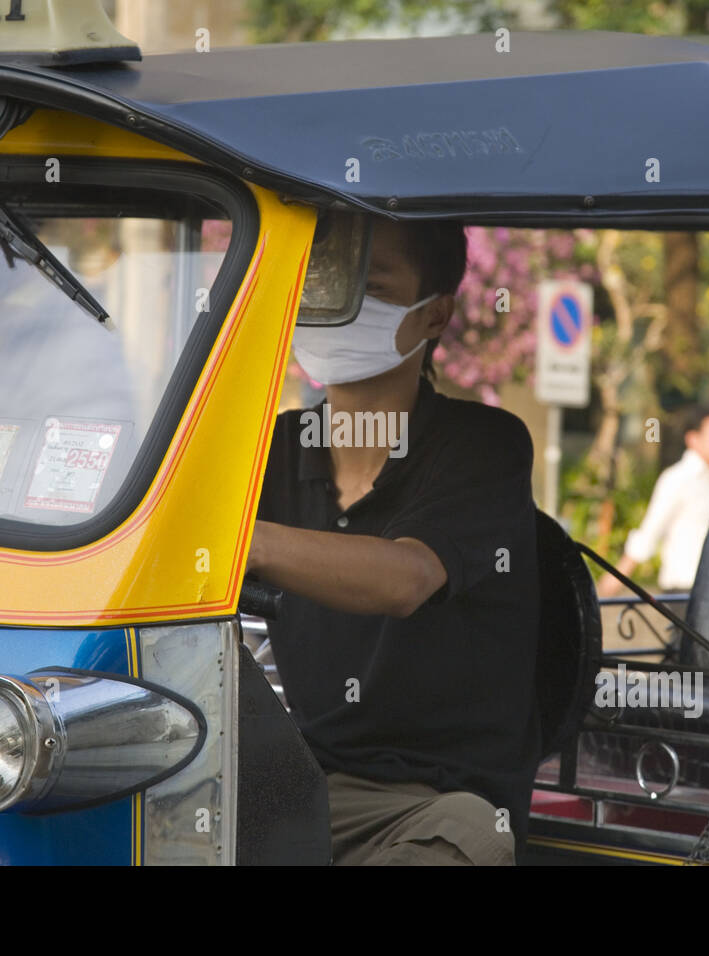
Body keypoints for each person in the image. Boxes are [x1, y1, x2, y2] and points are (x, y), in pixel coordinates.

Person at [247, 218, 540, 865]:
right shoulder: (268, 450)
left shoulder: (483, 447)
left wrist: (249, 541)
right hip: (294, 781)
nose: (337, 309)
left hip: (431, 804)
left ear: (435, 315)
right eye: (327, 286)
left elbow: (405, 578)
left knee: (464, 840)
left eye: (371, 288)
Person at [599, 406, 709, 596]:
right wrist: (618, 575)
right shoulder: (677, 478)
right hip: (683, 587)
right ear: (693, 439)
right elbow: (651, 529)